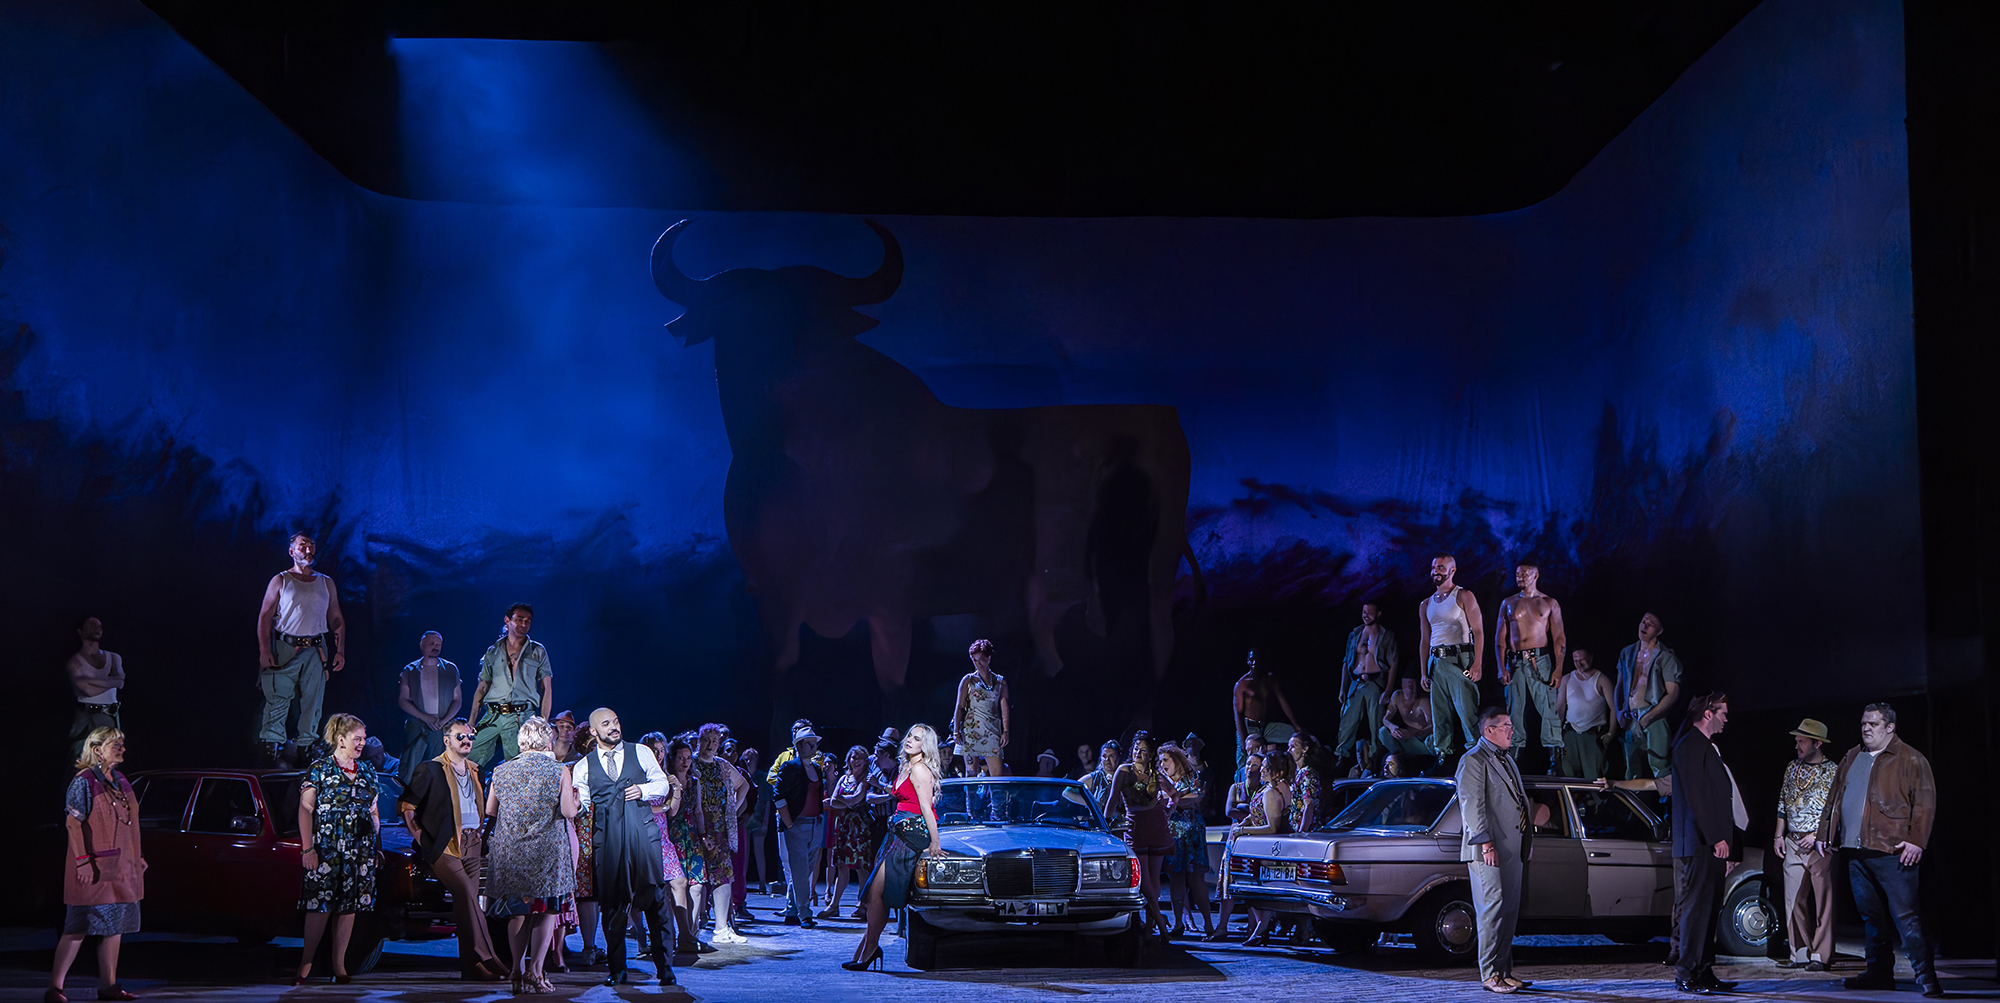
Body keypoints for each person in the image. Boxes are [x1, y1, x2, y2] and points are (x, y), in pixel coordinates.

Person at [1817, 703, 1938, 997]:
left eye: (1872, 723)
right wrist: (1824, 832)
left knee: (1906, 918)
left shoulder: (1910, 758)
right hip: (1856, 851)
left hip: (1893, 851)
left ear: (1889, 727)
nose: (1866, 728)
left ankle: (1926, 976)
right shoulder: (1852, 756)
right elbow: (1835, 797)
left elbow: (1925, 800)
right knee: (1871, 918)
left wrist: (1917, 840)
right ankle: (1879, 973)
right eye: (1863, 723)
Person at [572, 707, 676, 986]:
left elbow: (662, 784)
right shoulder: (584, 766)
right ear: (594, 731)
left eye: (616, 721)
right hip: (608, 841)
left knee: (655, 901)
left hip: (642, 835)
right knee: (613, 906)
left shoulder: (640, 751)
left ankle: (665, 967)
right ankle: (617, 969)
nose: (614, 727)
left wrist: (643, 790)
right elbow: (580, 805)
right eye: (606, 724)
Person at [398, 718, 503, 982]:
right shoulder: (430, 769)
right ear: (447, 740)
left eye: (470, 737)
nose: (467, 741)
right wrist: (422, 838)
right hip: (444, 846)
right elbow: (406, 805)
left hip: (472, 845)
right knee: (468, 897)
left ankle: (472, 969)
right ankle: (489, 956)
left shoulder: (475, 770)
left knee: (465, 905)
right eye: (461, 737)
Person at [482, 716, 577, 994]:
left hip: (512, 851)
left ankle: (516, 970)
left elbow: (490, 810)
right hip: (546, 853)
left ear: (521, 741)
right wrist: (577, 801)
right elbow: (569, 812)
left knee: (517, 912)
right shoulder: (559, 770)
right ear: (547, 740)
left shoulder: (502, 770)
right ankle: (535, 971)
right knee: (545, 912)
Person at [49, 727, 144, 1003]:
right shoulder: (84, 782)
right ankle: (55, 988)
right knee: (78, 926)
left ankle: (109, 986)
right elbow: (72, 823)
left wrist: (136, 857)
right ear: (97, 749)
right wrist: (82, 862)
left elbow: (127, 824)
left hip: (120, 868)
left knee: (115, 926)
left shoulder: (121, 780)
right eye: (116, 743)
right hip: (94, 869)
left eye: (123, 743)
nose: (122, 748)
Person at [846, 725, 944, 971]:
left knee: (876, 895)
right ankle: (868, 948)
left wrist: (935, 842)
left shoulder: (921, 770)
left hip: (910, 836)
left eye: (917, 738)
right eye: (910, 736)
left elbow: (926, 809)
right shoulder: (906, 766)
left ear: (926, 745)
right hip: (896, 834)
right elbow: (901, 794)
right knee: (873, 895)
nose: (910, 740)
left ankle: (869, 950)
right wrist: (883, 787)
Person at [1669, 692, 1745, 995]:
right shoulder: (1690, 745)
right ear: (1708, 714)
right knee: (1696, 910)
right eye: (1723, 712)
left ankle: (1703, 970)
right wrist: (1716, 838)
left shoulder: (1706, 747)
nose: (1727, 718)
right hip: (1700, 842)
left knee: (1709, 909)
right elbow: (1697, 797)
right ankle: (1687, 972)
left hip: (1709, 844)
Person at [1456, 708, 1537, 994]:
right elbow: (1472, 805)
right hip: (1488, 849)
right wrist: (1485, 842)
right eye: (1505, 726)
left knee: (1509, 910)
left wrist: (1526, 841)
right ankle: (1490, 974)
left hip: (1512, 848)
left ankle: (1504, 970)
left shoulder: (1507, 760)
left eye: (1511, 726)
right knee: (1492, 910)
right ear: (1488, 730)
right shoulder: (1473, 761)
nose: (1511, 731)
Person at [294, 713, 378, 986]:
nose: (362, 743)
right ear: (341, 739)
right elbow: (306, 808)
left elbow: (373, 809)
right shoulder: (319, 769)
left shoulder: (367, 770)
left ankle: (339, 965)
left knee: (349, 906)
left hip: (359, 852)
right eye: (357, 738)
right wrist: (308, 849)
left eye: (364, 739)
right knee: (319, 905)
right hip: (328, 849)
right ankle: (306, 961)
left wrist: (375, 844)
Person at [255, 532, 347, 767]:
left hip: (316, 647)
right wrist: (265, 649)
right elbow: (265, 616)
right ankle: (271, 746)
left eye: (311, 546)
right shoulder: (281, 580)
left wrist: (340, 650)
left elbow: (336, 617)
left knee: (313, 700)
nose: (308, 550)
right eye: (302, 546)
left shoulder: (326, 581)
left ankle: (306, 747)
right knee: (278, 697)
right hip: (286, 645)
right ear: (291, 551)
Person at [1774, 718, 1837, 972]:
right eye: (1797, 740)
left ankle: (1821, 956)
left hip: (1819, 844)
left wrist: (1818, 835)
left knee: (1823, 901)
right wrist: (1779, 836)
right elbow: (1782, 803)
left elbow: (1835, 810)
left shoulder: (1833, 771)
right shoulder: (1792, 767)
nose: (1797, 745)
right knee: (1793, 900)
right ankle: (1799, 952)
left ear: (1817, 743)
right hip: (1793, 841)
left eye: (1802, 740)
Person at [1494, 564, 1566, 770]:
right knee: (1515, 709)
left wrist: (1558, 668)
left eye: (1525, 573)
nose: (1521, 577)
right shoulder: (1508, 602)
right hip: (1515, 661)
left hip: (1540, 660)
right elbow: (1500, 639)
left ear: (1536, 575)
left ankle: (1554, 756)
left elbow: (1559, 637)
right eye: (1518, 574)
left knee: (1548, 707)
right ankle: (1513, 756)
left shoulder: (1548, 602)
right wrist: (1501, 667)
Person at [468, 604, 552, 770]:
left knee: (519, 765)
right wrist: (471, 721)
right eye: (519, 620)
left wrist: (543, 722)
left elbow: (546, 688)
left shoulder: (537, 651)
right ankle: (473, 794)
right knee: (470, 757)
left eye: (528, 621)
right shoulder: (492, 651)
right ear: (507, 620)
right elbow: (482, 688)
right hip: (493, 715)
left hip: (522, 715)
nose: (523, 624)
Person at [1108, 731, 1175, 938]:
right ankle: (1161, 926)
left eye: (1143, 750)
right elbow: (1112, 800)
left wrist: (1168, 810)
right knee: (1144, 880)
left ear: (1151, 754)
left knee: (1154, 880)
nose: (1138, 752)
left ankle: (1149, 927)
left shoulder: (1155, 773)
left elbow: (1174, 794)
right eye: (1136, 748)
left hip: (1156, 824)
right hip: (1135, 827)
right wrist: (1104, 824)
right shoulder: (1124, 770)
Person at [1418, 555, 1485, 758]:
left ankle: (1477, 754)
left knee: (1466, 710)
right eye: (1433, 567)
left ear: (1452, 570)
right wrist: (1423, 672)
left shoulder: (1463, 595)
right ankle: (1443, 754)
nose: (1435, 571)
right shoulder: (1426, 604)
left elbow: (1479, 631)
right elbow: (1424, 640)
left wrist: (1478, 664)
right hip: (1436, 661)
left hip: (1459, 657)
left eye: (1440, 567)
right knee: (1440, 713)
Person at [635, 732, 693, 957]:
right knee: (642, 891)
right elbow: (639, 808)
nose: (658, 754)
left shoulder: (663, 774)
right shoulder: (639, 774)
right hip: (643, 836)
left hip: (662, 836)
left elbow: (673, 811)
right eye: (654, 749)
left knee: (679, 882)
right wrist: (665, 807)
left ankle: (684, 934)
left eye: (661, 750)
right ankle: (642, 937)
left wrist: (676, 789)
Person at [690, 723, 748, 944]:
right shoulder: (691, 762)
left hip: (719, 829)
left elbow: (743, 786)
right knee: (695, 879)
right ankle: (691, 929)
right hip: (695, 827)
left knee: (722, 876)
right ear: (699, 740)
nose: (711, 745)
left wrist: (732, 807)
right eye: (707, 740)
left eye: (715, 742)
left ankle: (721, 928)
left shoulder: (721, 765)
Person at [1235, 750, 1295, 946]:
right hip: (1272, 846)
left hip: (1267, 847)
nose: (1261, 771)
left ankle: (1261, 930)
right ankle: (1262, 929)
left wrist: (1244, 830)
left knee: (1261, 888)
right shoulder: (1281, 787)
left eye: (1265, 769)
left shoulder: (1271, 792)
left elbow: (1271, 827)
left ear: (1277, 772)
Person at [1615, 613, 1682, 780]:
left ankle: (1667, 803)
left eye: (1651, 623)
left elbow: (1673, 693)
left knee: (1660, 768)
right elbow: (1619, 685)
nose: (1644, 626)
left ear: (1659, 630)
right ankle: (1632, 804)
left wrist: (1650, 716)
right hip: (1631, 718)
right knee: (1631, 769)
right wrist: (1619, 711)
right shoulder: (1627, 652)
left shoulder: (1666, 656)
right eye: (1643, 621)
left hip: (1654, 716)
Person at [773, 726, 826, 927]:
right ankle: (805, 913)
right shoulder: (790, 767)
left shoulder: (816, 768)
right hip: (797, 824)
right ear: (800, 745)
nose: (814, 747)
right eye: (810, 743)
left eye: (815, 743)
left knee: (804, 871)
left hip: (815, 824)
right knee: (800, 870)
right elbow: (778, 796)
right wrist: (789, 823)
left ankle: (793, 910)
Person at [1208, 750, 1264, 942]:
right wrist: (1251, 816)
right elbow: (1230, 811)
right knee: (1228, 881)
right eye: (1248, 764)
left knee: (1252, 881)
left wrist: (1249, 815)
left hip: (1256, 840)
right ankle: (1222, 927)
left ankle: (1253, 928)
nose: (1249, 768)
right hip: (1236, 839)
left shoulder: (1265, 789)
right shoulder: (1236, 787)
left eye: (1255, 765)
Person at [1334, 602, 1398, 771]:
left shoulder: (1386, 635)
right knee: (1347, 721)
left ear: (1378, 614)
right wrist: (1343, 688)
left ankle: (1377, 758)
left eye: (1370, 612)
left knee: (1376, 723)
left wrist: (1388, 690)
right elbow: (1346, 661)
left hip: (1375, 682)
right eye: (1364, 611)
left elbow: (1393, 663)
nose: (1366, 615)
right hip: (1356, 682)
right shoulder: (1355, 634)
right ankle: (1341, 756)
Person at [1159, 745, 1214, 938]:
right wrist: (1175, 797)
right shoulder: (1161, 781)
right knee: (1175, 879)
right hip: (1172, 834)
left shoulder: (1192, 778)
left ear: (1177, 759)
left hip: (1191, 834)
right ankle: (1178, 924)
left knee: (1196, 880)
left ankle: (1208, 924)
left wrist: (1173, 797)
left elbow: (1196, 798)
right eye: (1160, 761)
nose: (1162, 764)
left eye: (1166, 760)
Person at [396, 631, 461, 783]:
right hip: (416, 727)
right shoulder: (410, 670)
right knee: (410, 771)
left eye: (438, 644)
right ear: (422, 645)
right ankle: (406, 804)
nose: (435, 647)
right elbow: (403, 700)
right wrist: (425, 717)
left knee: (437, 770)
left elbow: (457, 700)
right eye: (431, 643)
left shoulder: (451, 669)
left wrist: (444, 720)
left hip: (440, 728)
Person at [663, 738, 706, 954]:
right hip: (673, 835)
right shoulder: (667, 782)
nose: (685, 762)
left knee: (697, 885)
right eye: (680, 757)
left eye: (688, 758)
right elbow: (669, 812)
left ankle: (690, 931)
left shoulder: (695, 782)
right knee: (676, 886)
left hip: (691, 836)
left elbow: (698, 810)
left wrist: (703, 834)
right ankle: (680, 934)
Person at [821, 745, 875, 918]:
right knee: (842, 866)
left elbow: (855, 799)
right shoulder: (844, 778)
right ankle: (834, 905)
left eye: (859, 757)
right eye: (853, 757)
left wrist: (841, 800)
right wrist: (843, 801)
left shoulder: (866, 778)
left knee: (860, 866)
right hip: (843, 826)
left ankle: (863, 904)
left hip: (859, 827)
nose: (856, 760)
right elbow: (833, 801)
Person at [1232, 649, 1302, 776]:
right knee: (1244, 765)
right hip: (1248, 728)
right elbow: (1238, 715)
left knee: (1295, 735)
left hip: (1264, 727)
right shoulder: (1242, 683)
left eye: (1257, 660)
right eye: (1252, 660)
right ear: (1248, 661)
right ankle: (1241, 791)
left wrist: (1296, 726)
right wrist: (1243, 740)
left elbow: (1283, 702)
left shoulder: (1267, 680)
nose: (1254, 663)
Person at [66, 617, 126, 763]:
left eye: (98, 625)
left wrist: (90, 681)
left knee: (109, 760)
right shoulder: (75, 662)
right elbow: (87, 691)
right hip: (88, 718)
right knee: (84, 760)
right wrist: (109, 682)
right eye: (91, 625)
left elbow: (120, 682)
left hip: (110, 715)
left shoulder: (114, 658)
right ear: (80, 631)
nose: (96, 628)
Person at [953, 639, 1012, 777]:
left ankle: (996, 799)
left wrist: (1006, 731)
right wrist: (956, 731)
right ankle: (971, 799)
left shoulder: (999, 681)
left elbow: (1004, 707)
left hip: (992, 731)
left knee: (997, 776)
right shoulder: (968, 680)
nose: (977, 663)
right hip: (970, 731)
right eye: (974, 660)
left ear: (988, 658)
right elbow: (960, 706)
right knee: (971, 773)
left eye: (980, 659)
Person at [1557, 649, 1617, 779]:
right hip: (1571, 732)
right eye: (1575, 660)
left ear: (1591, 657)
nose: (1578, 664)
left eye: (1582, 660)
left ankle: (1595, 799)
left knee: (1593, 776)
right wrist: (1557, 734)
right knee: (1569, 773)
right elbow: (1560, 708)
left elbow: (1614, 708)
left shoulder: (1602, 680)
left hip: (1593, 734)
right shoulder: (1567, 679)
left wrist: (1611, 733)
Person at [738, 745, 771, 894]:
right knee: (743, 852)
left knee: (759, 851)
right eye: (746, 758)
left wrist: (765, 821)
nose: (749, 761)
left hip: (758, 818)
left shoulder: (762, 777)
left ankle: (762, 882)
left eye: (752, 758)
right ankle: (742, 882)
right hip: (745, 817)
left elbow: (767, 801)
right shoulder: (741, 775)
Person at [1378, 674, 1434, 758]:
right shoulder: (1397, 696)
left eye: (1415, 686)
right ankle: (1399, 757)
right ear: (1403, 687)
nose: (1413, 690)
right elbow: (1385, 719)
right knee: (1382, 732)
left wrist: (1412, 734)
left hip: (1420, 741)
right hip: (1406, 740)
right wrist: (1393, 728)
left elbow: (1435, 727)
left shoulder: (1423, 702)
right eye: (1409, 686)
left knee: (1432, 743)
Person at [1287, 732, 1324, 833]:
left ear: (1305, 748)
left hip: (1306, 831)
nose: (1289, 750)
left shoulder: (1308, 773)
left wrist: (1302, 832)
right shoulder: (1296, 772)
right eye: (1288, 747)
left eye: (1293, 746)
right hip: (1294, 828)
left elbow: (1309, 804)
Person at [1080, 740, 1122, 820]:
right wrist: (1092, 802)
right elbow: (1067, 792)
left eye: (1112, 756)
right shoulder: (1094, 777)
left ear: (1119, 757)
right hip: (1098, 826)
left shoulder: (1125, 775)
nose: (1107, 759)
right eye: (1104, 756)